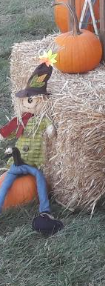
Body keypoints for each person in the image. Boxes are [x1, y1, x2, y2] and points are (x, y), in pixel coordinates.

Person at [0, 63, 63, 236]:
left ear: (41, 101)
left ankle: (45, 210)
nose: (26, 104)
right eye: (24, 100)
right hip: (18, 161)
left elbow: (50, 130)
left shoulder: (41, 120)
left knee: (39, 178)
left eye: (30, 100)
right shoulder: (20, 120)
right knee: (5, 184)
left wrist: (51, 130)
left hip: (31, 164)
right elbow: (7, 130)